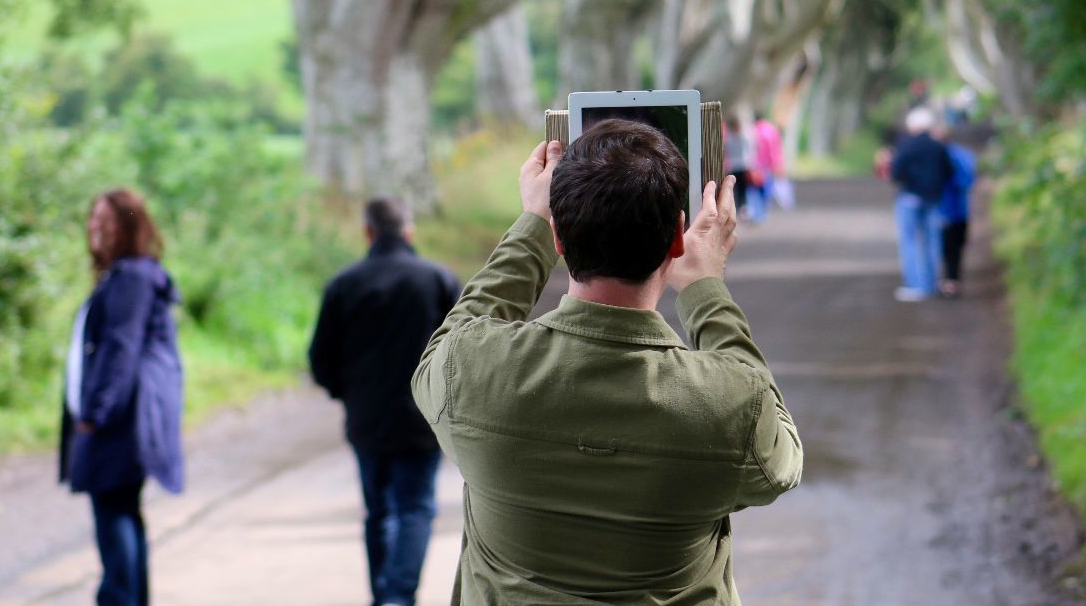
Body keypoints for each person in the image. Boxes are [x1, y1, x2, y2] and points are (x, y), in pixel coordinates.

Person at [412, 120, 803, 603]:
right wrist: (705, 290)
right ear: (677, 238)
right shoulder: (732, 405)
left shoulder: (468, 369)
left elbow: (451, 337)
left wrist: (533, 223)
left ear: (559, 238)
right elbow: (780, 463)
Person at [310, 197, 461, 606]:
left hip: (366, 420)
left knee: (377, 513)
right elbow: (464, 350)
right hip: (423, 419)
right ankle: (398, 596)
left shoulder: (344, 284)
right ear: (409, 232)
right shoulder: (438, 280)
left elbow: (320, 359)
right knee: (413, 508)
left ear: (368, 232)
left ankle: (383, 596)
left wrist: (349, 394)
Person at [60, 188, 184, 606]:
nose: (96, 227)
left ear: (129, 226)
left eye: (107, 219)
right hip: (123, 415)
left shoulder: (130, 276)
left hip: (120, 419)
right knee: (123, 512)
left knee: (113, 514)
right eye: (94, 218)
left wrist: (96, 412)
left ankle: (120, 599)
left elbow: (120, 348)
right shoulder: (128, 274)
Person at [889, 107, 954, 302]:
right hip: (933, 198)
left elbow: (895, 171)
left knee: (910, 241)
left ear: (912, 126)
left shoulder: (906, 145)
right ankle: (930, 285)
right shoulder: (938, 146)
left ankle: (916, 286)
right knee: (932, 241)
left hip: (909, 198)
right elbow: (949, 171)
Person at [933, 127, 977, 297]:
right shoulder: (962, 154)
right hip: (955, 209)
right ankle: (950, 280)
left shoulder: (952, 155)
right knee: (953, 248)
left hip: (949, 209)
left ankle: (949, 281)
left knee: (948, 247)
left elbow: (965, 180)